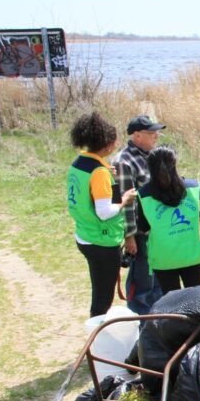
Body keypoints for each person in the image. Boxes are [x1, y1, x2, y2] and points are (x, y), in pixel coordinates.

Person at [66, 112, 137, 318]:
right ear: (107, 145)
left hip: (85, 235)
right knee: (102, 299)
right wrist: (125, 199)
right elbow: (105, 212)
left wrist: (107, 175)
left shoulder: (78, 163)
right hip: (102, 241)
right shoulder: (99, 172)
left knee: (99, 291)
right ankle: (96, 334)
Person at [135, 146, 200, 294]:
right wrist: (198, 217)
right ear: (174, 164)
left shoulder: (144, 194)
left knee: (172, 301)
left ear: (150, 167)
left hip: (163, 258)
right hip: (192, 254)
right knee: (198, 299)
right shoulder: (192, 187)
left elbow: (143, 226)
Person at [113, 115, 166, 315]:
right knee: (143, 281)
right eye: (151, 133)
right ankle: (140, 320)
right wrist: (129, 236)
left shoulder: (150, 157)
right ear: (137, 136)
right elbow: (124, 203)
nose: (156, 136)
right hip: (139, 232)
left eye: (156, 132)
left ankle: (157, 317)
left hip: (156, 230)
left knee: (157, 278)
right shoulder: (123, 162)